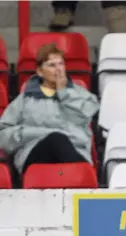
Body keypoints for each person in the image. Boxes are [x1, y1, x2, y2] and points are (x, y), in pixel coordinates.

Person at [0, 43, 99, 177]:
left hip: (75, 151)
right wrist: (28, 133)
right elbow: (3, 133)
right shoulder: (25, 99)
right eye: (52, 65)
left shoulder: (82, 95)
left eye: (61, 64)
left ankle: (79, 179)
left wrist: (64, 92)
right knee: (55, 139)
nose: (58, 70)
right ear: (40, 71)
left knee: (59, 140)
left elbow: (85, 116)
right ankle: (81, 181)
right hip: (34, 154)